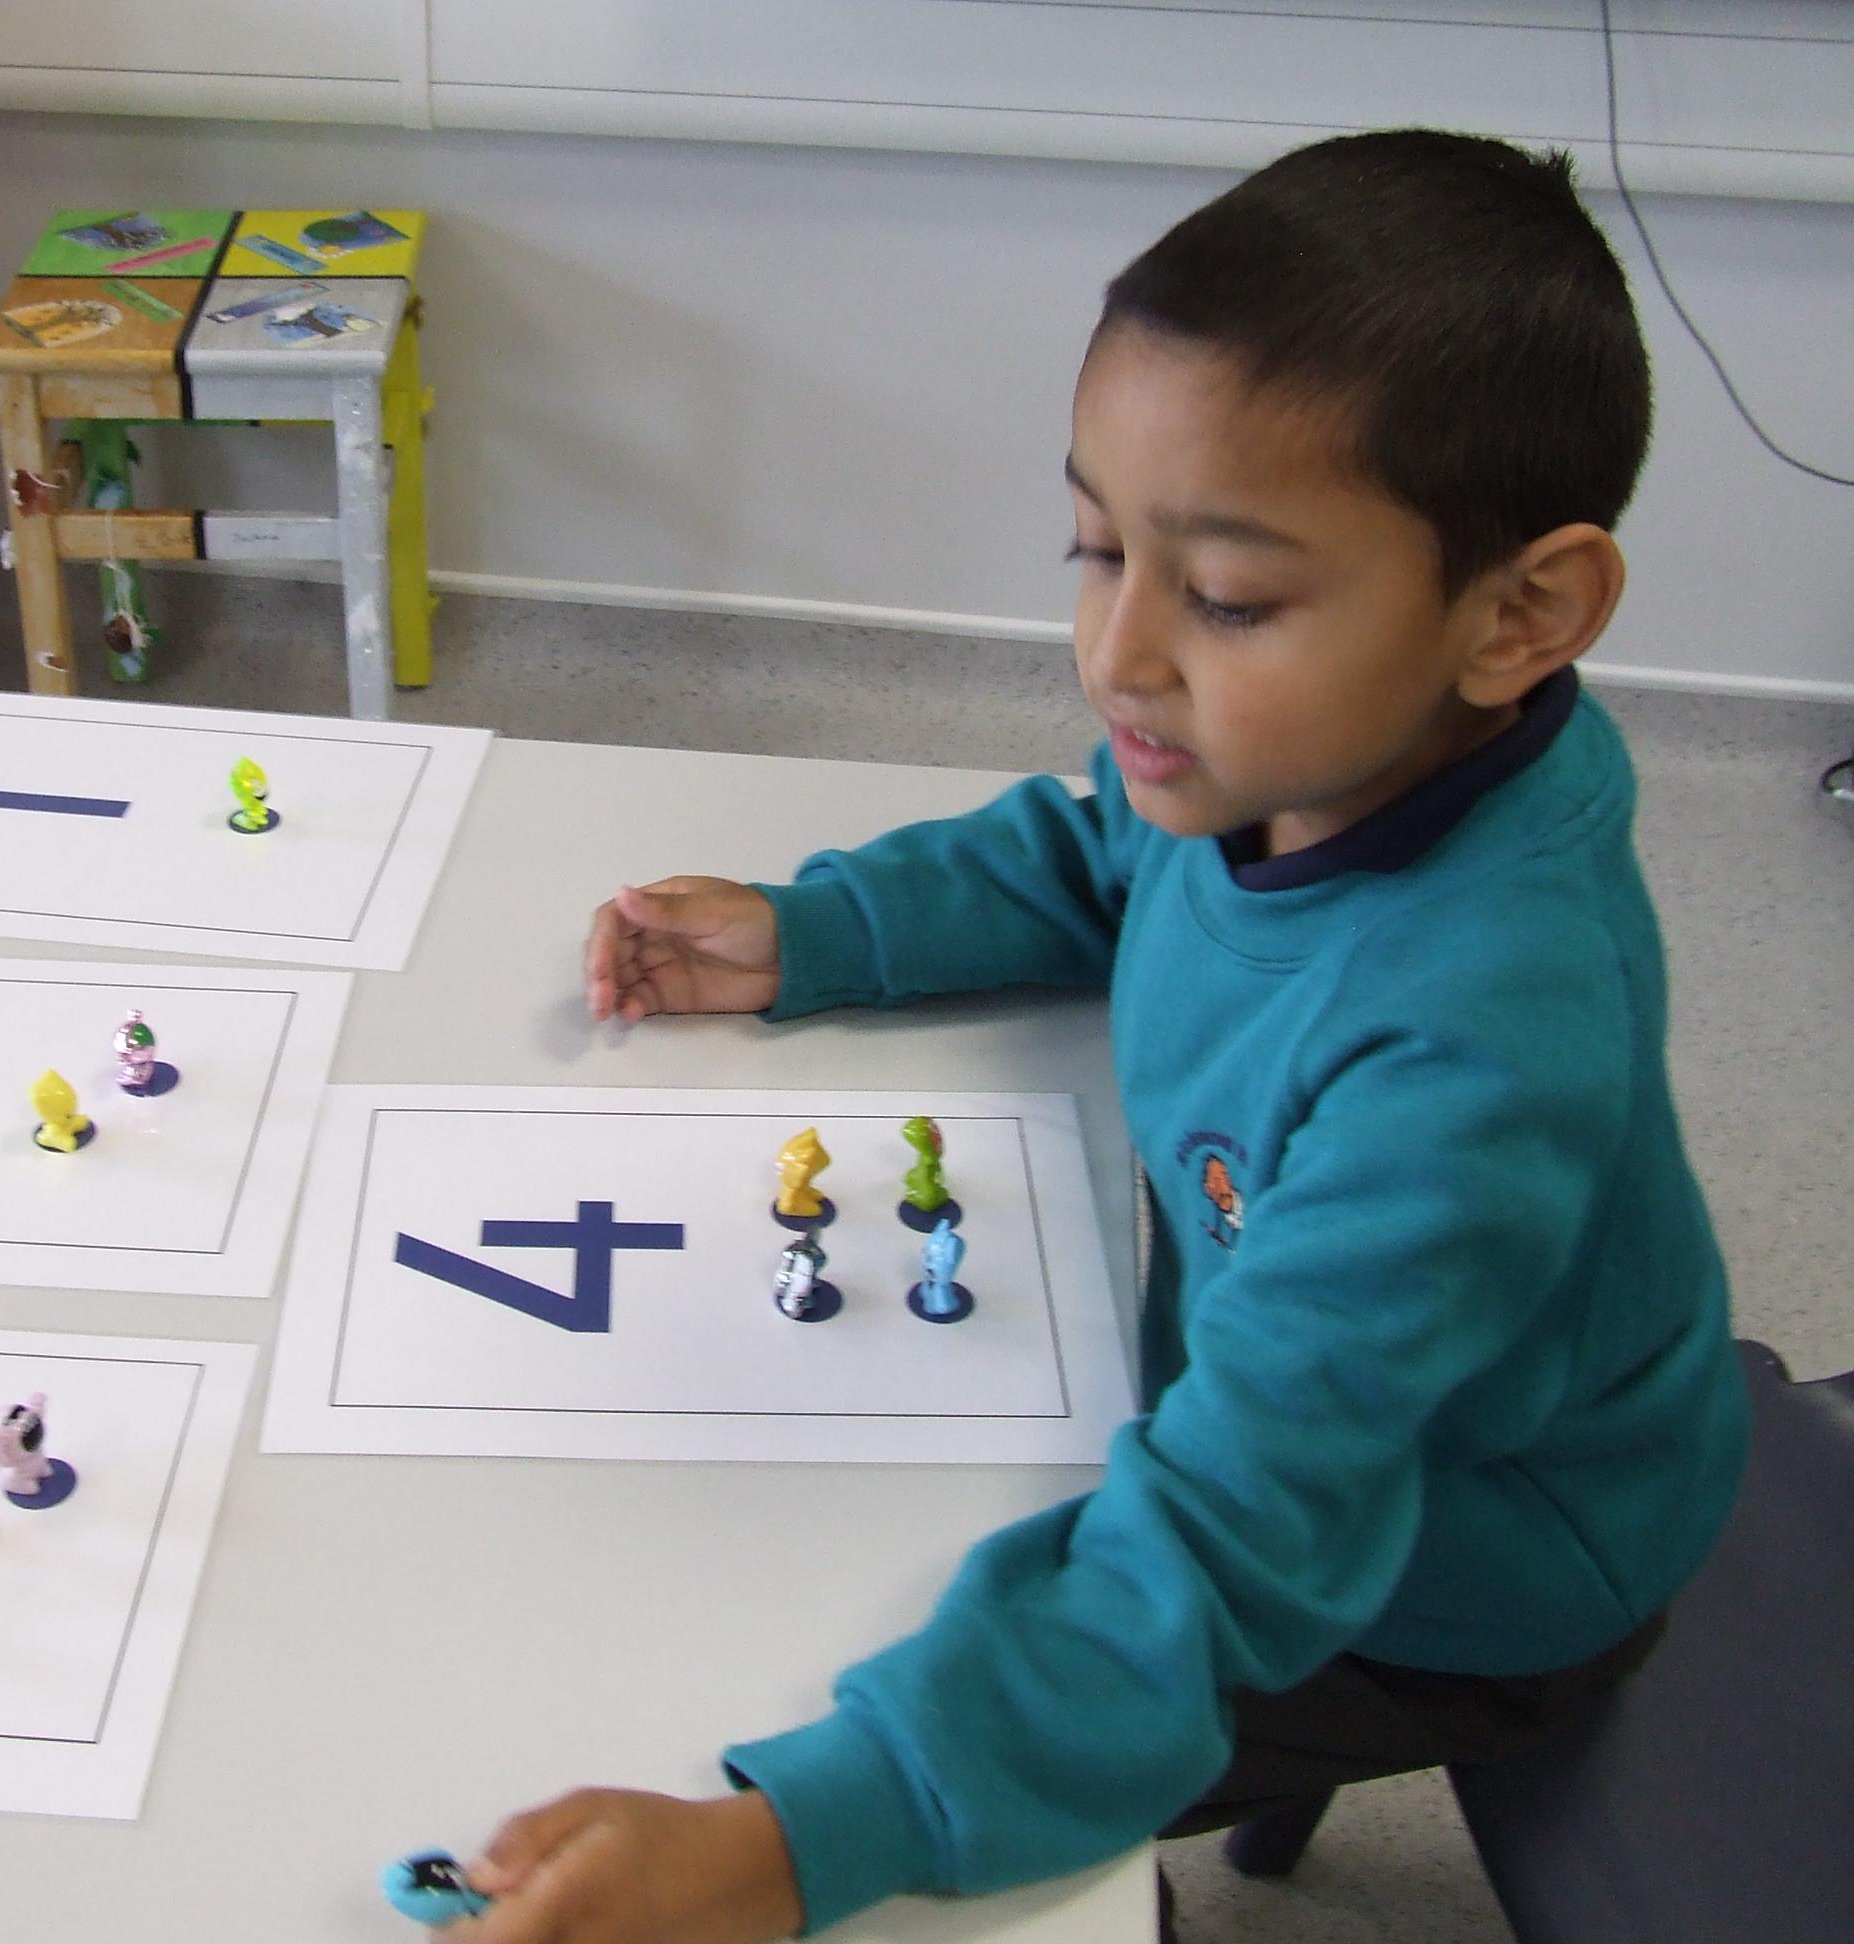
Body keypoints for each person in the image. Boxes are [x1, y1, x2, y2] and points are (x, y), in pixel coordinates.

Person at [448, 129, 1752, 1944]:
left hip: (1468, 1573)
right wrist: (828, 931)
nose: (1117, 653)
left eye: (1227, 598)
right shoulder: (1304, 745)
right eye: (1096, 544)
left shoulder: (1471, 1053)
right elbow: (1103, 854)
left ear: (1520, 614)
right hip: (1283, 1410)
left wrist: (783, 1851)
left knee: (898, 1785)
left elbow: (1230, 1551)